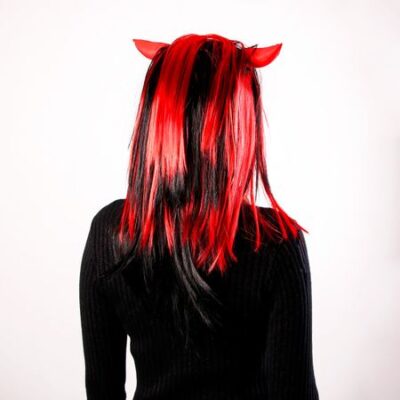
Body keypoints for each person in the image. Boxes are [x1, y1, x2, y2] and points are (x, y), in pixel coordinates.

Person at [79, 33, 320, 400]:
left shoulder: (110, 231)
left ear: (155, 118)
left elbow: (102, 390)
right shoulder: (275, 241)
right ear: (239, 124)